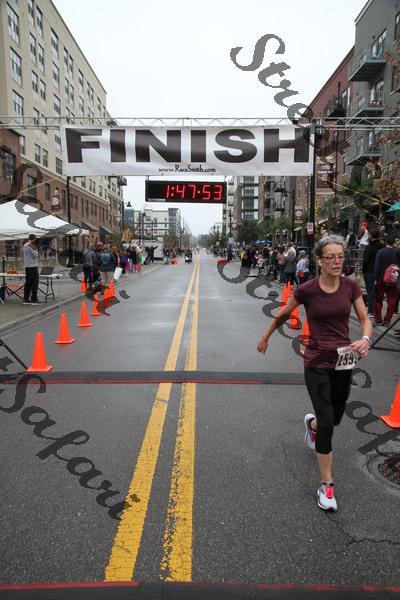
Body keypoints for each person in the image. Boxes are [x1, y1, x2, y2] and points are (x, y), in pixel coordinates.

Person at [257, 235, 371, 512]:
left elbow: (364, 319)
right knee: (329, 423)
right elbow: (284, 313)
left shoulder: (351, 286)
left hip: (344, 361)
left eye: (341, 256)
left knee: (335, 416)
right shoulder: (307, 289)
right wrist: (266, 336)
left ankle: (313, 426)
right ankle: (326, 485)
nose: (337, 261)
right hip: (316, 362)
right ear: (319, 260)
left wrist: (366, 339)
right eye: (331, 257)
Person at [373, 234, 400, 327]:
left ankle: (378, 319)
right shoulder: (396, 253)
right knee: (391, 300)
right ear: (393, 243)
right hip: (393, 278)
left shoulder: (381, 252)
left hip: (381, 278)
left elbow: (377, 266)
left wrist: (375, 279)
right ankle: (387, 320)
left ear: (385, 242)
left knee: (378, 299)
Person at [362, 228, 384, 318]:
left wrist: (363, 270)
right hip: (380, 273)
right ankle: (377, 312)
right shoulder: (382, 247)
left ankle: (371, 311)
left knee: (370, 292)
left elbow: (365, 260)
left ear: (371, 236)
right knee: (379, 293)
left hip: (369, 272)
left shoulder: (369, 247)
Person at [23, 234, 40, 305]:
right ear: (34, 239)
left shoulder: (25, 245)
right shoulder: (31, 245)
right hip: (33, 266)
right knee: (35, 283)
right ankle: (34, 298)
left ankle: (26, 298)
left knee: (28, 283)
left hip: (27, 266)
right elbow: (36, 255)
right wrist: (36, 249)